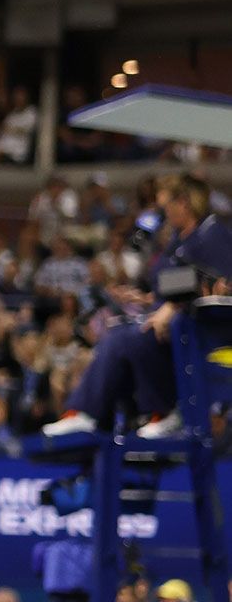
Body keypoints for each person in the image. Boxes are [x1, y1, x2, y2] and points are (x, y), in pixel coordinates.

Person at [44, 173, 225, 439]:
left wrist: (173, 308)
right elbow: (177, 284)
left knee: (128, 339)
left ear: (184, 203)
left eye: (167, 205)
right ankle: (90, 415)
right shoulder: (178, 239)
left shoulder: (213, 234)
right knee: (117, 334)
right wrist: (148, 299)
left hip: (200, 331)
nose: (163, 211)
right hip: (167, 322)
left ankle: (158, 411)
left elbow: (219, 286)